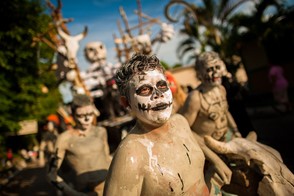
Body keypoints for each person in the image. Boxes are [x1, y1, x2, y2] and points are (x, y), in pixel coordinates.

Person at [103, 54, 209, 195]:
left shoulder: (180, 122)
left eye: (162, 85)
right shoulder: (130, 155)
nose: (158, 94)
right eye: (145, 89)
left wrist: (218, 164)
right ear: (126, 103)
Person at [179, 51, 241, 193]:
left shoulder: (221, 89)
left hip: (227, 142)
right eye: (209, 69)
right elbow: (183, 130)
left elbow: (225, 112)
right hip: (206, 153)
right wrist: (211, 156)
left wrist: (236, 132)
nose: (214, 73)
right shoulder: (195, 98)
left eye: (217, 68)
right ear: (200, 73)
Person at [48, 94, 112, 196]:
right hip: (84, 191)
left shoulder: (101, 132)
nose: (87, 119)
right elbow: (52, 174)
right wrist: (73, 193)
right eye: (81, 116)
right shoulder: (64, 139)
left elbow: (107, 158)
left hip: (109, 188)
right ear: (73, 115)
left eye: (90, 114)